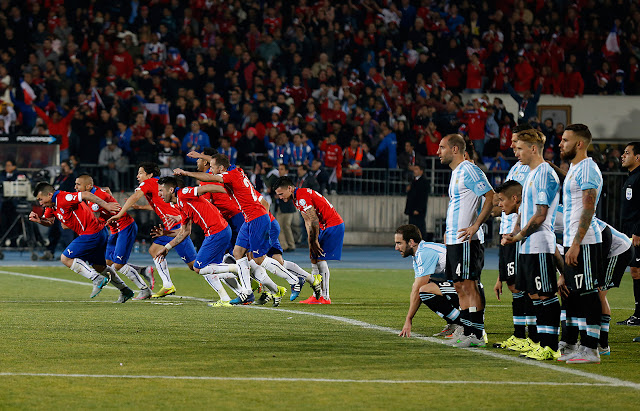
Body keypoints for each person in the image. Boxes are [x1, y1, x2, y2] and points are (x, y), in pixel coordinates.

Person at [175, 153, 295, 305]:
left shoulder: (214, 179)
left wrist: (186, 173)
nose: (199, 163)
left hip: (238, 220)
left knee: (251, 258)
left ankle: (288, 282)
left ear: (210, 165)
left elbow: (208, 198)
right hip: (239, 219)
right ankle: (259, 290)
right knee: (240, 256)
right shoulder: (236, 172)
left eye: (201, 160)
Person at [502, 129, 561, 361]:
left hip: (540, 244)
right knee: (535, 295)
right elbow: (525, 212)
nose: (516, 152)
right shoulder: (531, 173)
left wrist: (520, 235)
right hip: (527, 245)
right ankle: (539, 342)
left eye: (520, 148)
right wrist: (515, 232)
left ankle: (550, 346)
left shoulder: (545, 173)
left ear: (534, 149)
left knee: (546, 294)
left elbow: (540, 215)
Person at [29, 182, 134, 303]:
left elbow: (85, 194)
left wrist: (106, 205)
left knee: (65, 258)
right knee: (99, 267)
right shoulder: (51, 206)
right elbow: (50, 221)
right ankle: (125, 290)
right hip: (99, 232)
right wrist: (39, 220)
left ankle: (96, 279)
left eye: (41, 199)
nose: (40, 203)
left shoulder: (64, 198)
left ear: (49, 195)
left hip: (91, 233)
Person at [437, 133, 494, 347]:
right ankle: (467, 330)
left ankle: (476, 334)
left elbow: (490, 196)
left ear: (454, 149)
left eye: (442, 147)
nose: (438, 152)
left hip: (467, 241)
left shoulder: (469, 169)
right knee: (459, 286)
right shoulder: (457, 173)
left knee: (470, 286)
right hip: (454, 239)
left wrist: (476, 225)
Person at [108, 162, 197, 298]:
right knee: (154, 251)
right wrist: (141, 208)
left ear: (149, 175)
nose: (138, 176)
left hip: (176, 227)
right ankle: (167, 286)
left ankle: (228, 269)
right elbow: (158, 204)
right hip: (171, 226)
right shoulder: (158, 185)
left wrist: (120, 213)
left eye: (141, 173)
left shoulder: (148, 183)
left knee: (197, 267)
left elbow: (134, 197)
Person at [557, 124, 604, 364]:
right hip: (573, 241)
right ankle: (576, 344)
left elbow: (588, 207)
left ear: (579, 144)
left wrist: (576, 243)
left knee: (586, 294)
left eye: (565, 140)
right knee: (573, 296)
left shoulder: (588, 168)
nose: (560, 144)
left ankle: (591, 349)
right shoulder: (575, 168)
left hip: (584, 242)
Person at [153, 176, 236, 307]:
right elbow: (185, 232)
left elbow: (206, 188)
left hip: (216, 231)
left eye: (161, 190)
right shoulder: (181, 204)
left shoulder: (184, 193)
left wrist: (230, 192)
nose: (159, 194)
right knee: (212, 268)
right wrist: (167, 245)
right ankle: (227, 297)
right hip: (217, 231)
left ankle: (239, 268)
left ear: (171, 190)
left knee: (198, 267)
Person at [492, 123, 538, 351]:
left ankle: (530, 337)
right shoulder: (517, 168)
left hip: (519, 234)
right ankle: (521, 336)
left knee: (523, 286)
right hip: (507, 232)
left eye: (516, 142)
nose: (511, 146)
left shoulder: (534, 169)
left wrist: (517, 232)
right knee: (512, 285)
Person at [74, 174, 154, 300]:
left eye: (78, 184)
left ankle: (145, 290)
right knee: (108, 263)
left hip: (125, 227)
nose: (75, 187)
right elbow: (105, 190)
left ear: (88, 186)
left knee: (118, 265)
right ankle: (142, 271)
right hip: (115, 230)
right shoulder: (93, 194)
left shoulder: (96, 199)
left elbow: (97, 218)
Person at [273, 177, 345, 304]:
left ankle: (325, 297)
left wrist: (315, 240)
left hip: (332, 225)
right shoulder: (297, 198)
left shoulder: (301, 197)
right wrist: (310, 242)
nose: (280, 197)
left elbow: (314, 220)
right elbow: (307, 221)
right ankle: (317, 295)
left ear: (289, 188)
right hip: (324, 225)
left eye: (281, 194)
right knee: (313, 256)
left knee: (320, 258)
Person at [395, 224, 463, 338]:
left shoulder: (424, 253)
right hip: (459, 285)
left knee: (425, 291)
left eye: (399, 243)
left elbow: (418, 289)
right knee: (425, 288)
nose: (396, 248)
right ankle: (454, 323)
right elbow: (415, 286)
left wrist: (408, 319)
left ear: (411, 242)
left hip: (468, 289)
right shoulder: (418, 253)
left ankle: (463, 323)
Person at [617, 142, 640, 326]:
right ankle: (638, 314)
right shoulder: (631, 177)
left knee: (637, 271)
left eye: (627, 153)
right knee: (635, 271)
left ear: (638, 157)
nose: (623, 156)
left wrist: (638, 232)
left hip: (637, 232)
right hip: (630, 231)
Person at [404, 163, 428, 239]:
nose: (414, 171)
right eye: (414, 169)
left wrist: (418, 209)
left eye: (416, 169)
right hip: (412, 209)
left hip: (418, 210)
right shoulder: (413, 181)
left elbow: (423, 197)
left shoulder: (423, 182)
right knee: (412, 228)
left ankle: (422, 241)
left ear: (421, 171)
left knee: (419, 227)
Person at [276, 164, 296, 252]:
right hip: (280, 206)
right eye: (279, 169)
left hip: (289, 206)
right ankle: (284, 246)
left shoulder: (290, 180)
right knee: (279, 227)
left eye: (281, 169)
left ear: (286, 171)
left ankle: (291, 245)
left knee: (287, 226)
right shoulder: (278, 180)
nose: (279, 171)